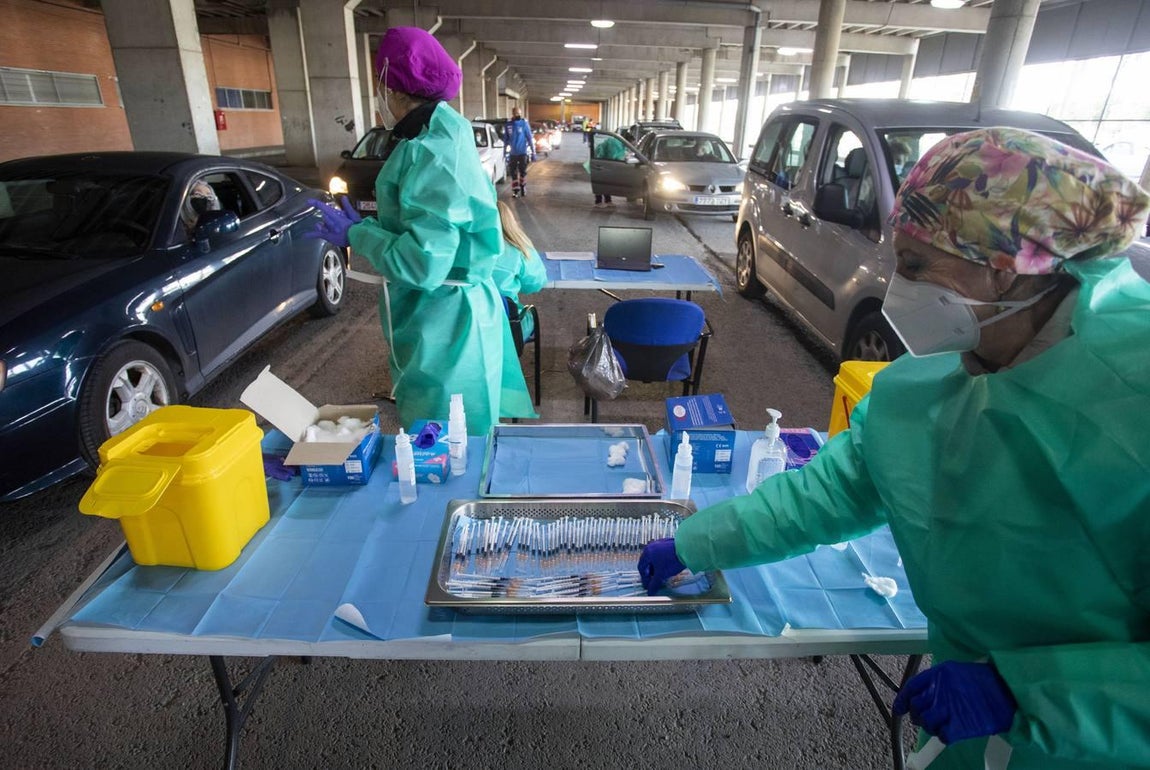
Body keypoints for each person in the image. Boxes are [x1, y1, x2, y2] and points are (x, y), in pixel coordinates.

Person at [639, 128, 1150, 770]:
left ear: (1004, 265)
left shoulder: (1132, 405)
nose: (895, 285)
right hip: (970, 733)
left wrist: (1034, 692)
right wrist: (697, 541)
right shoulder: (933, 384)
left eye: (915, 266)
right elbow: (826, 494)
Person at [307, 27, 536, 435]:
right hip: (453, 315)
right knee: (461, 439)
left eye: (381, 85)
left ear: (393, 88)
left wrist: (359, 236)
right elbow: (430, 225)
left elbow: (422, 263)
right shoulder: (446, 134)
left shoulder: (432, 153)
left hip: (445, 327)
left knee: (445, 446)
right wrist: (373, 226)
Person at [493, 200, 547, 341]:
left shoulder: (460, 249)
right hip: (507, 325)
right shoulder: (518, 249)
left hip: (469, 324)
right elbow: (535, 283)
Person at [503, 107, 535, 198]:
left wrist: (533, 152)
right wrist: (504, 152)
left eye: (519, 113)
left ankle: (523, 187)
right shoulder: (508, 125)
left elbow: (529, 138)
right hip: (513, 153)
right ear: (513, 114)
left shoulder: (524, 124)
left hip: (522, 152)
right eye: (516, 113)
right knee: (513, 173)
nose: (518, 115)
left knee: (522, 171)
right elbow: (506, 139)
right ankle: (515, 190)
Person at [592, 132, 626, 207]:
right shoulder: (615, 144)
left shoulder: (620, 144)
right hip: (602, 163)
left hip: (606, 163)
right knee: (601, 183)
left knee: (606, 183)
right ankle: (598, 201)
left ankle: (608, 200)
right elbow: (612, 156)